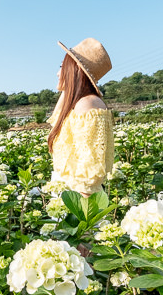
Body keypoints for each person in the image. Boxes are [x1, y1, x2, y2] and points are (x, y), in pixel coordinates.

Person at [47, 38, 115, 197]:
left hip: (80, 200)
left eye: (62, 67)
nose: (58, 73)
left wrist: (81, 215)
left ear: (75, 69)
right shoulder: (78, 104)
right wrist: (69, 87)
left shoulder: (89, 105)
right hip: (67, 193)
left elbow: (91, 169)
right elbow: (55, 121)